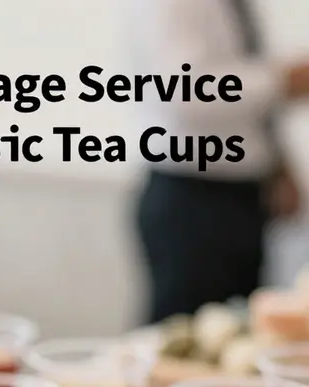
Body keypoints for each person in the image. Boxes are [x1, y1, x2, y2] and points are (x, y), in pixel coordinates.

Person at [130, 0, 309, 323]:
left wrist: (276, 164)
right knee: (185, 338)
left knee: (238, 335)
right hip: (192, 197)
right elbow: (183, 90)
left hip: (241, 195)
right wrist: (281, 80)